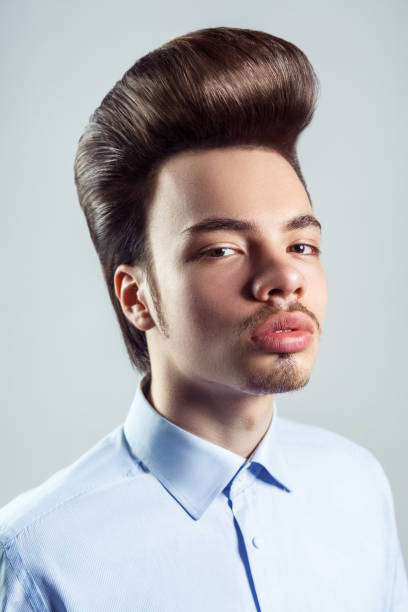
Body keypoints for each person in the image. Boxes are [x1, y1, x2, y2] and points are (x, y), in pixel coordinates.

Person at [0, 26, 406, 612]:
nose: (283, 278)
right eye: (222, 249)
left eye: (301, 246)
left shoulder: (358, 485)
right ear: (136, 296)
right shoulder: (41, 555)